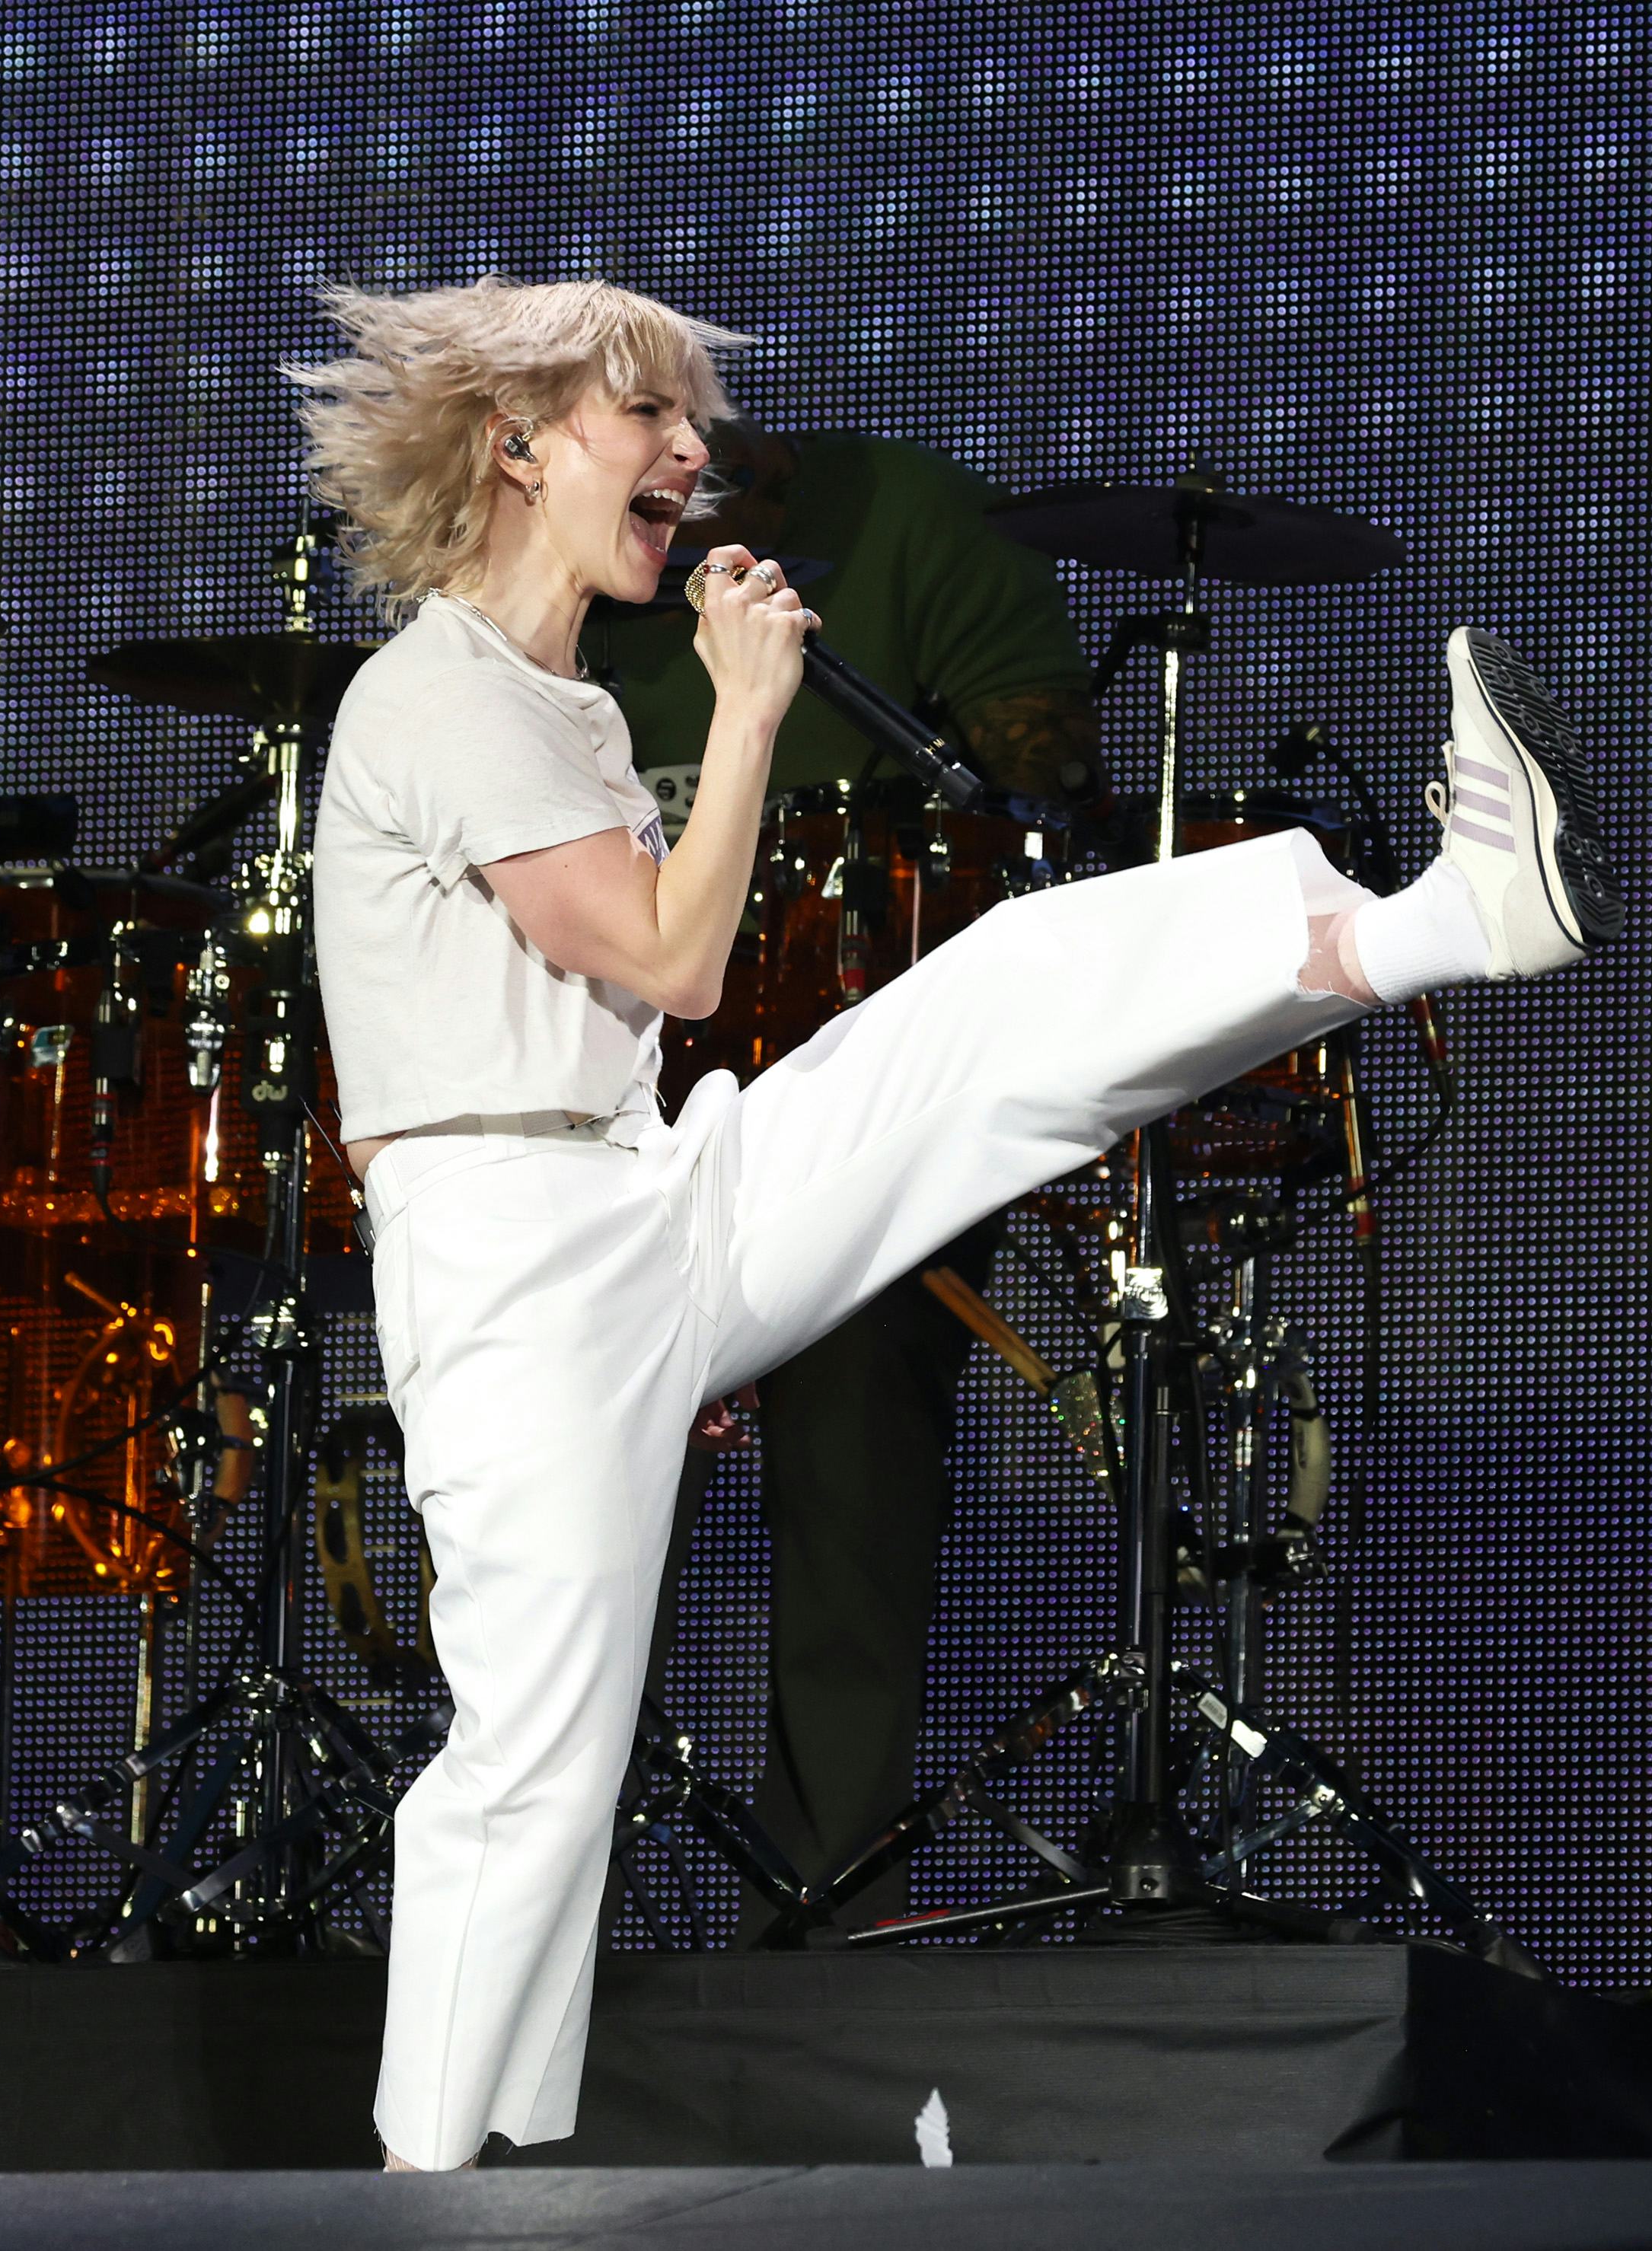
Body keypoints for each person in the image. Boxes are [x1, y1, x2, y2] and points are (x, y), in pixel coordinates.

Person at [294, 276, 1622, 2173]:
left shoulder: (562, 705)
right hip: (510, 1248)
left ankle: (1432, 923)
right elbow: (671, 959)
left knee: (992, 999)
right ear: (513, 446)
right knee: (534, 1761)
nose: (689, 451)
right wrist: (748, 710)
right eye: (643, 417)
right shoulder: (439, 690)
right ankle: (426, 2188)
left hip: (633, 1184)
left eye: (690, 417)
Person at [592, 422, 1102, 1937]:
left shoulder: (916, 518)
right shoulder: (560, 555)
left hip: (863, 1101)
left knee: (853, 1488)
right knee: (573, 1519)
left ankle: (816, 1927)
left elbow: (1042, 787)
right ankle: (548, 1916)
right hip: (605, 1105)